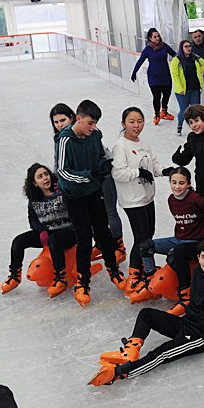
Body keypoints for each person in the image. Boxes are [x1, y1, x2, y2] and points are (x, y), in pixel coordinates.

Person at [88, 238, 204, 386]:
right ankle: (129, 352)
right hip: (187, 323)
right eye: (203, 257)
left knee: (163, 353)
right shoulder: (198, 272)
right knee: (147, 314)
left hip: (203, 335)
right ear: (198, 258)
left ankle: (120, 373)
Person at [54, 100, 126, 307]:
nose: (93, 127)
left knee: (104, 232)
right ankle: (82, 282)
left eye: (95, 123)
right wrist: (89, 175)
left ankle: (114, 271)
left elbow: (99, 156)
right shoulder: (64, 140)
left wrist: (102, 165)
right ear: (78, 118)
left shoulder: (95, 134)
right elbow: (62, 172)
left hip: (94, 191)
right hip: (75, 196)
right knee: (84, 238)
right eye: (90, 123)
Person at [139, 167, 204, 315]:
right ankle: (150, 281)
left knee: (176, 255)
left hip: (196, 242)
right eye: (174, 182)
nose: (177, 186)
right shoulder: (171, 200)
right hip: (179, 239)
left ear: (188, 183)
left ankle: (185, 294)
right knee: (145, 247)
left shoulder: (195, 199)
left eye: (181, 183)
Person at [1, 164, 75, 297]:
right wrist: (41, 230)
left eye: (46, 174)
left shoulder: (61, 190)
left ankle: (61, 277)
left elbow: (77, 206)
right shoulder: (34, 200)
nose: (45, 178)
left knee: (54, 240)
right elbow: (33, 220)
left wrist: (65, 192)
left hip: (69, 231)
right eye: (40, 177)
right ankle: (15, 275)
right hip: (48, 232)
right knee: (18, 241)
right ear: (35, 183)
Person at [111, 107, 163, 291]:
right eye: (131, 122)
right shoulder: (121, 145)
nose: (136, 125)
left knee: (148, 235)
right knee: (142, 238)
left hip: (147, 197)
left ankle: (145, 268)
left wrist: (164, 171)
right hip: (133, 200)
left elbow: (153, 163)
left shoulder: (144, 143)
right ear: (123, 123)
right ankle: (135, 274)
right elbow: (117, 172)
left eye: (140, 121)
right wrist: (139, 172)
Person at [131, 28, 177, 125]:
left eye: (158, 36)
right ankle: (157, 114)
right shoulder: (148, 50)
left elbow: (175, 55)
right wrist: (134, 72)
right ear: (150, 38)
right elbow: (140, 61)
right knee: (157, 97)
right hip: (154, 77)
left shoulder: (164, 46)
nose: (157, 38)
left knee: (167, 94)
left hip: (165, 75)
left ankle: (164, 111)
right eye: (155, 37)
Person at [170, 40, 204, 135]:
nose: (188, 48)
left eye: (189, 46)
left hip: (195, 88)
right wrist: (180, 89)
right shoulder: (176, 60)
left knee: (197, 111)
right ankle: (179, 126)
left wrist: (199, 70)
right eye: (186, 46)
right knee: (184, 110)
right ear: (181, 48)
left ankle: (199, 128)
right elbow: (175, 75)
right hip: (183, 91)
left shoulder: (194, 58)